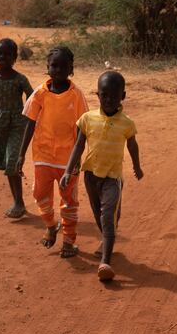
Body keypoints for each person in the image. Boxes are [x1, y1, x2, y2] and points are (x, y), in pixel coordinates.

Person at [61, 70, 143, 282]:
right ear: (97, 94)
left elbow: (133, 146)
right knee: (99, 214)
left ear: (122, 97)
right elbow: (78, 146)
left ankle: (105, 261)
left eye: (113, 96)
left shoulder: (127, 123)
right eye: (104, 95)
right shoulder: (87, 119)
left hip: (112, 178)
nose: (108, 100)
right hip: (90, 175)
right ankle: (108, 236)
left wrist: (137, 167)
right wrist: (68, 171)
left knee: (107, 216)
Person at [20, 46, 89, 258]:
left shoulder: (76, 95)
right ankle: (50, 224)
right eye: (53, 65)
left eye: (62, 66)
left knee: (68, 200)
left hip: (67, 160)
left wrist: (77, 159)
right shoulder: (39, 93)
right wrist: (21, 155)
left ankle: (68, 240)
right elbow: (30, 123)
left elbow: (82, 129)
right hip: (42, 156)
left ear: (71, 69)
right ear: (47, 68)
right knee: (40, 194)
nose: (57, 70)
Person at [0, 38, 35, 219]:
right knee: (7, 163)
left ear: (14, 58)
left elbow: (33, 96)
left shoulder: (20, 79)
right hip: (0, 123)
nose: (2, 57)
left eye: (7, 54)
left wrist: (28, 115)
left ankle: (19, 204)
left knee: (12, 161)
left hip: (17, 124)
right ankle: (17, 202)